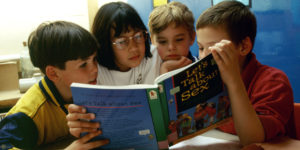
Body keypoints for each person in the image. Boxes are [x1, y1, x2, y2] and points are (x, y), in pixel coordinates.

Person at [195, 0, 294, 146]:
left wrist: (233, 80)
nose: (203, 57)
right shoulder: (211, 80)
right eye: (201, 48)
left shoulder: (273, 81)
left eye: (212, 49)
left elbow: (253, 139)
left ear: (243, 46)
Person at [0, 21, 107, 149]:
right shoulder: (27, 115)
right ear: (53, 74)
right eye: (83, 64)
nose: (95, 69)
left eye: (95, 59)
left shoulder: (90, 88)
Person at [148, 1, 197, 74]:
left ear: (192, 37)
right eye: (162, 41)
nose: (171, 47)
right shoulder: (144, 72)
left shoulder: (203, 69)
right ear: (152, 40)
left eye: (179, 39)